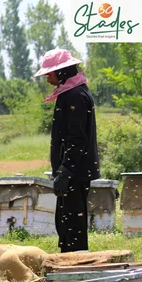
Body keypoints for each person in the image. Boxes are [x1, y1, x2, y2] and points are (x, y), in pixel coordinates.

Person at [34, 48, 100, 253]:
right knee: (65, 224)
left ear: (62, 72)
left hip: (75, 173)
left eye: (50, 73)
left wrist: (65, 171)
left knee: (73, 226)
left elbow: (77, 138)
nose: (47, 78)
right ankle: (68, 261)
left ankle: (76, 267)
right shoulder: (71, 93)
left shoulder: (75, 95)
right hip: (73, 172)